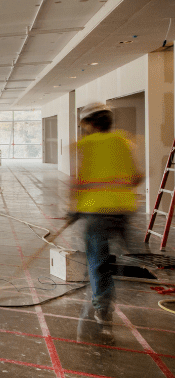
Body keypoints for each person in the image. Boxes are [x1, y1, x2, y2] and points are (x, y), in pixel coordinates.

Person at [70, 103, 143, 325]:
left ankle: (103, 307)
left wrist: (72, 208)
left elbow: (77, 180)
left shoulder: (85, 144)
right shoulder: (125, 140)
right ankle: (106, 286)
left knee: (97, 260)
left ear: (91, 124)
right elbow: (137, 177)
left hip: (96, 211)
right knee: (117, 255)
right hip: (124, 210)